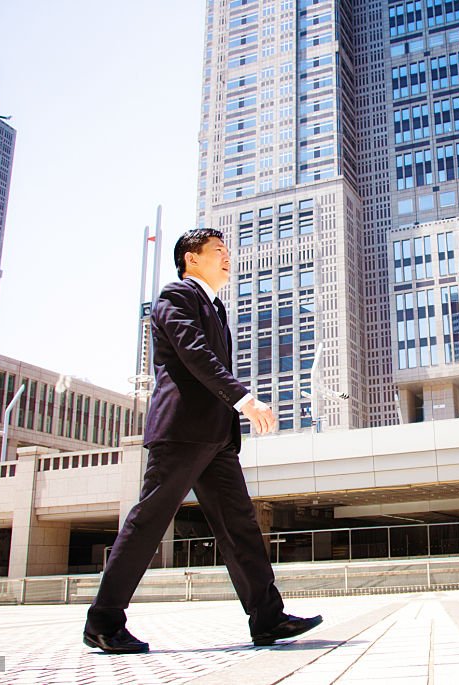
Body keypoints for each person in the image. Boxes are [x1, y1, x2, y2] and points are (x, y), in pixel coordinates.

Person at [83, 228, 321, 654]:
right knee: (148, 523)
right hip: (182, 432)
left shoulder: (216, 307)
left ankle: (267, 619)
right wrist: (244, 400)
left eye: (227, 251)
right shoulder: (176, 297)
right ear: (191, 259)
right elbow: (195, 353)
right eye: (218, 251)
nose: (227, 257)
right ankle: (103, 622)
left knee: (241, 526)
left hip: (216, 438)